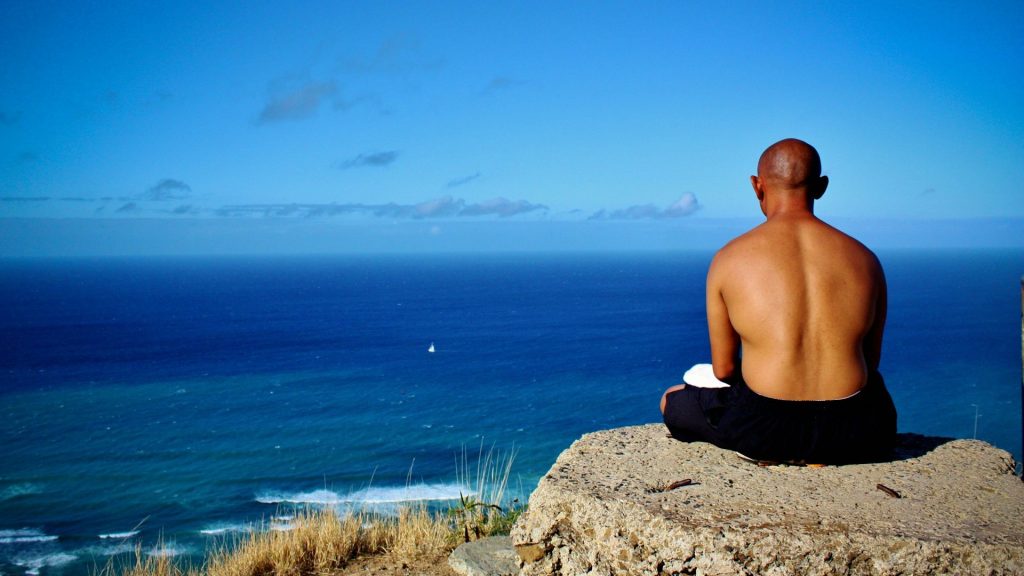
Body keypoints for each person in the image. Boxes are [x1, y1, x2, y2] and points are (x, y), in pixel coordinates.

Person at [660, 139, 897, 464]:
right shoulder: (866, 260)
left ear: (757, 186)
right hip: (855, 431)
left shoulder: (729, 258)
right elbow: (870, 363)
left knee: (671, 398)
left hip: (764, 429)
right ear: (822, 187)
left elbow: (724, 370)